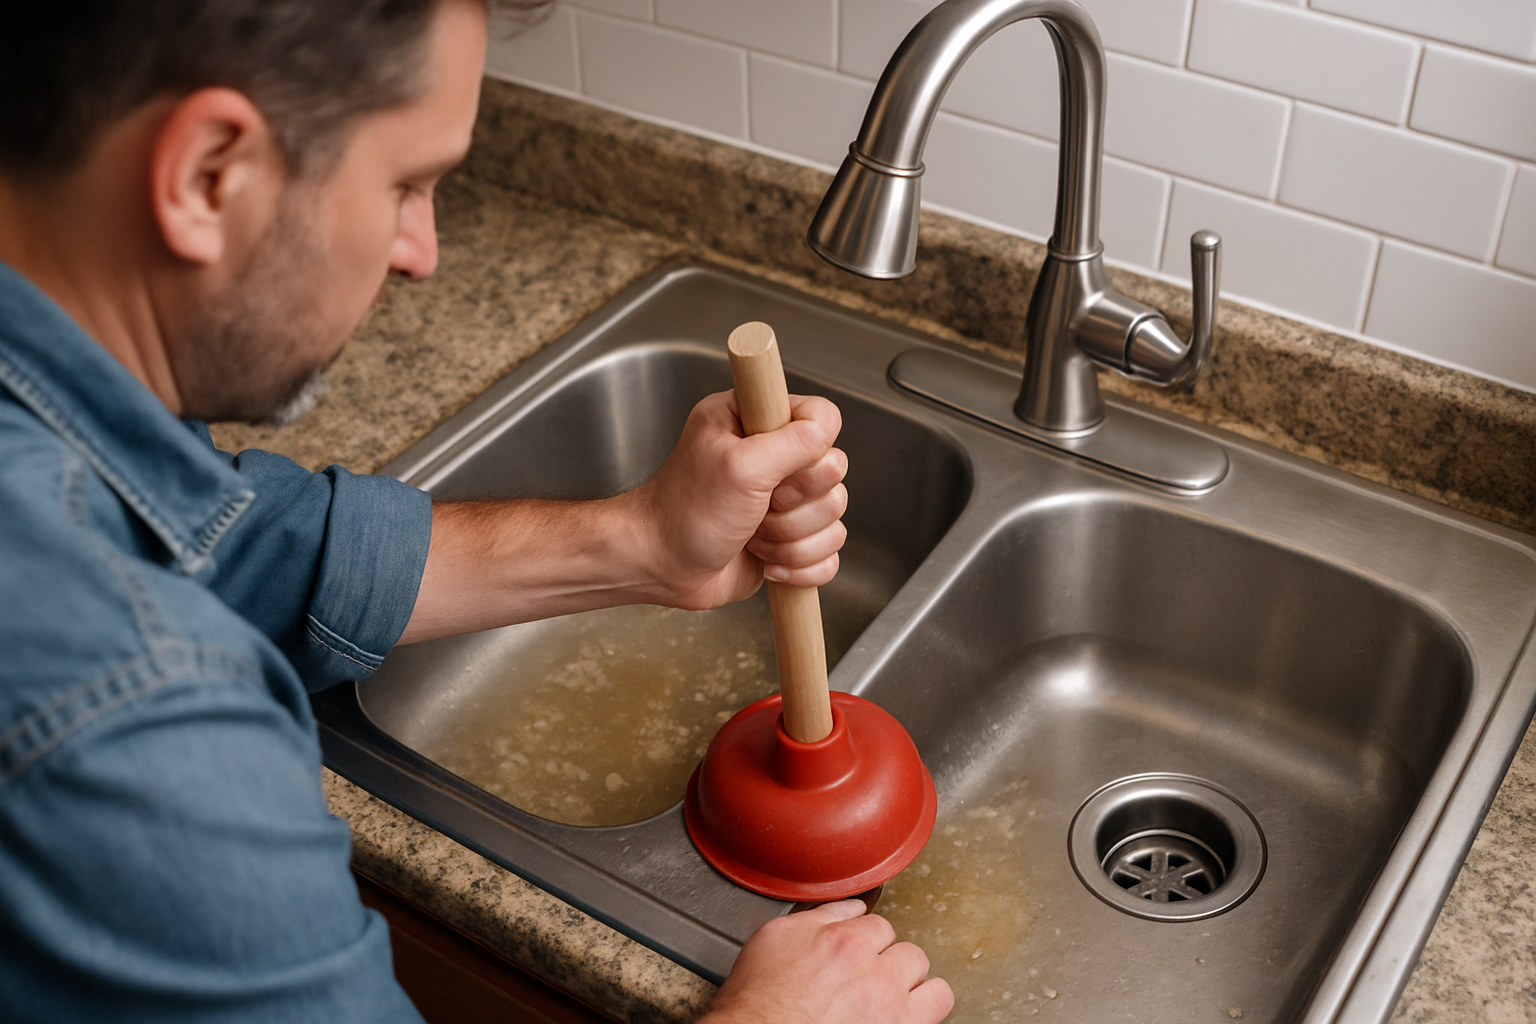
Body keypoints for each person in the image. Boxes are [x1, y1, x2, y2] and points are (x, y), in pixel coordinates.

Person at [0, 1, 955, 1022]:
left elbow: (224, 542)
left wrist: (647, 541)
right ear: (206, 175)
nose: (423, 251)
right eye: (407, 183)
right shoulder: (128, 714)